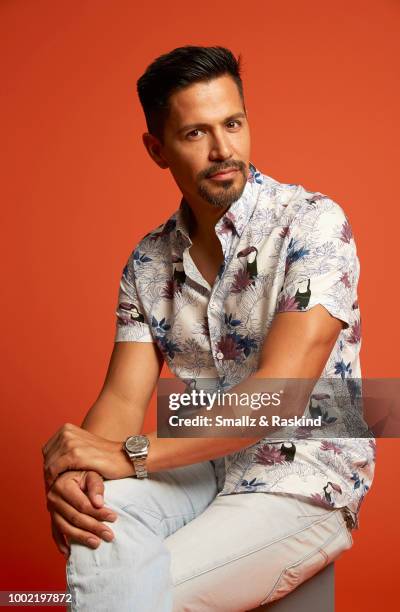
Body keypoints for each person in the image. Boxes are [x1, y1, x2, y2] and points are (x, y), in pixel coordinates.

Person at [42, 46, 376, 611]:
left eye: (234, 124)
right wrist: (80, 475)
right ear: (157, 149)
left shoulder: (313, 224)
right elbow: (122, 401)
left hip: (302, 480)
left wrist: (130, 456)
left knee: (129, 592)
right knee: (99, 520)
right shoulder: (149, 262)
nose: (224, 150)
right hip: (200, 470)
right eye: (197, 133)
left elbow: (281, 395)